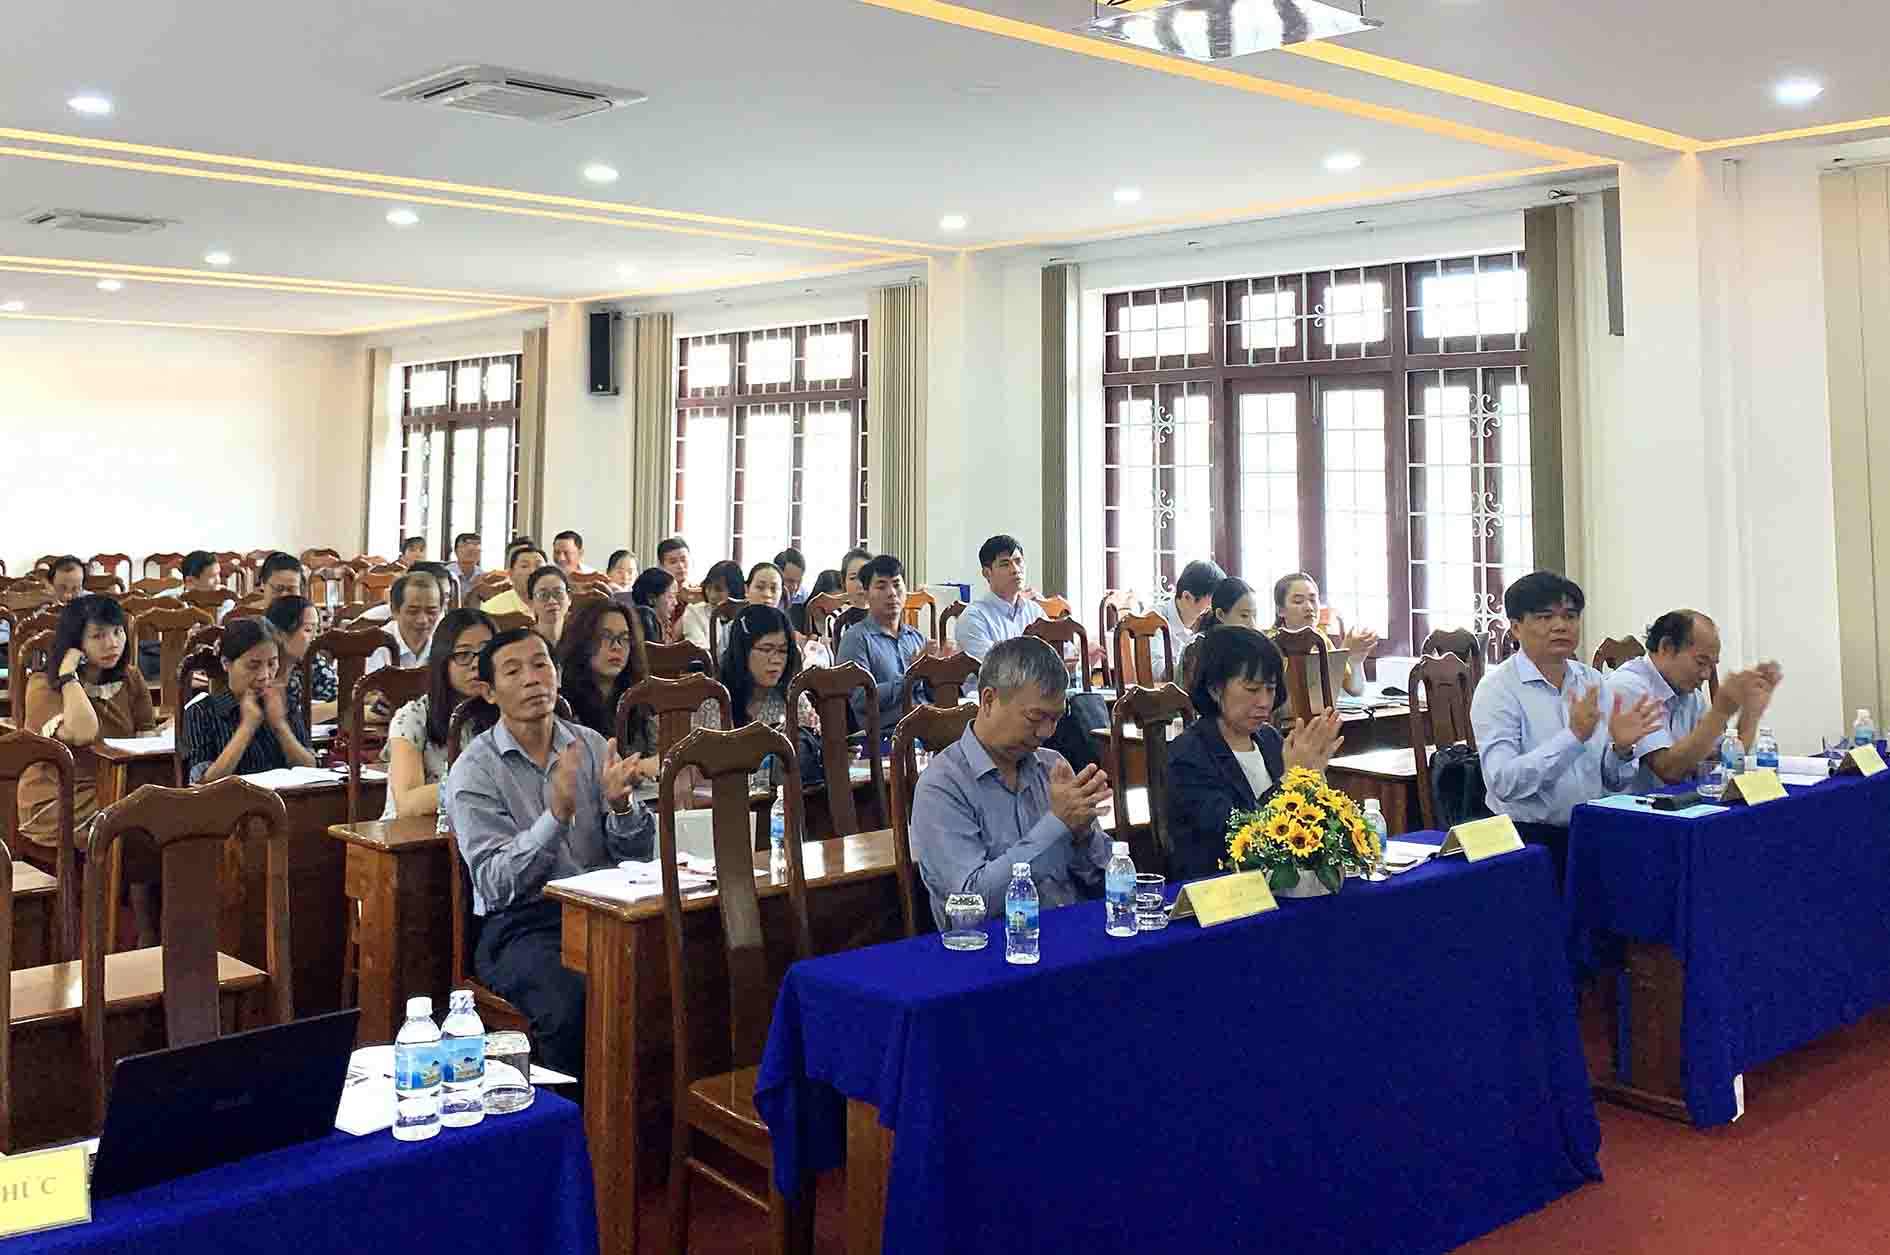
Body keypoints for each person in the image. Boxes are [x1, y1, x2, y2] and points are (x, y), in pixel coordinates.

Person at [445, 628, 654, 1076]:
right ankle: (578, 1113)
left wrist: (622, 807)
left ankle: (646, 1110)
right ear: (489, 692)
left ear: (557, 674)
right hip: (522, 926)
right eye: (513, 671)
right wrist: (554, 819)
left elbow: (636, 857)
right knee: (573, 1000)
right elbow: (495, 885)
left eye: (541, 664)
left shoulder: (591, 745)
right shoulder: (474, 771)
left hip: (603, 914)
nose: (532, 678)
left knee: (673, 973)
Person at [909, 637, 1113, 929]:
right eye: (1035, 717)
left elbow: (1107, 881)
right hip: (994, 947)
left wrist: (1083, 836)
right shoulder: (942, 785)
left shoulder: (1052, 766)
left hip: (1070, 931)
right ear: (988, 700)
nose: (1046, 732)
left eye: (1055, 719)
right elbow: (970, 904)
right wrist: (1057, 825)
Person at [1470, 571, 1663, 874]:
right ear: (1516, 627)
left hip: (1591, 830)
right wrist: (1573, 737)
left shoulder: (1592, 681)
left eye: (1570, 616)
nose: (1561, 626)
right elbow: (1503, 782)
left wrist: (1621, 750)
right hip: (1526, 842)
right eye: (1545, 617)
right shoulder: (1497, 689)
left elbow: (1613, 781)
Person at [1165, 627, 1345, 882]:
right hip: (1218, 887)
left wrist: (1314, 780)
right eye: (1252, 689)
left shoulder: (1269, 740)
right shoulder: (1188, 756)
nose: (1264, 702)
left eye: (1270, 689)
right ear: (1215, 689)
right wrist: (1292, 779)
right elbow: (1238, 835)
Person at [18, 595, 158, 850]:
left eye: (117, 632)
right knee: (134, 819)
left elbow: (146, 737)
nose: (112, 643)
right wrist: (68, 677)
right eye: (98, 636)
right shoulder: (43, 686)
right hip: (60, 799)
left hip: (117, 786)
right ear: (75, 643)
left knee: (165, 808)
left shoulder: (130, 678)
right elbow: (83, 733)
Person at [1610, 610, 1783, 792]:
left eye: (1712, 666)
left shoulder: (1689, 693)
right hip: (1630, 807)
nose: (1707, 675)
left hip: (1680, 802)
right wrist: (1720, 712)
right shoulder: (1628, 686)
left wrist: (1750, 712)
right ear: (1666, 647)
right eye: (1701, 662)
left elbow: (1723, 761)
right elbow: (1669, 771)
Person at [689, 605, 818, 794]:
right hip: (724, 799)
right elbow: (697, 772)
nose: (776, 660)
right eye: (766, 649)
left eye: (782, 651)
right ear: (743, 651)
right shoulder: (714, 701)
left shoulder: (791, 697)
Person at [384, 609, 496, 820]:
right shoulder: (413, 716)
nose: (476, 664)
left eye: (486, 653)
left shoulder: (508, 711)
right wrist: (483, 783)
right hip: (416, 832)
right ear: (443, 661)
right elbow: (407, 804)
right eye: (463, 655)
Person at [181, 617, 317, 783]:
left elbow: (311, 771)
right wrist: (247, 727)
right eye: (253, 666)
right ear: (226, 663)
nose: (264, 676)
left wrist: (280, 726)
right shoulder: (201, 712)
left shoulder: (283, 704)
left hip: (286, 797)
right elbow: (202, 783)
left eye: (272, 664)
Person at [557, 599, 658, 766]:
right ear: (582, 641)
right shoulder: (563, 703)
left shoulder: (639, 694)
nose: (616, 647)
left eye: (624, 638)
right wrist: (640, 768)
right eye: (605, 636)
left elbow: (660, 753)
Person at [837, 554, 927, 727]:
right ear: (866, 594)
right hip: (883, 735)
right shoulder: (856, 638)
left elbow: (928, 694)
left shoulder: (916, 637)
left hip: (925, 727)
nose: (892, 593)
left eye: (896, 585)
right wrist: (912, 675)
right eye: (881, 586)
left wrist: (939, 671)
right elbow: (860, 699)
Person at [955, 535, 1045, 689]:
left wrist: (1081, 654)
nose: (1016, 570)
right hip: (989, 698)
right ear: (987, 573)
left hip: (1032, 693)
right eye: (1005, 564)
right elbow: (996, 670)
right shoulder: (973, 618)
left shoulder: (1035, 611)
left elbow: (1064, 656)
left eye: (1018, 561)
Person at [1271, 572, 1378, 697]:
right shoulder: (1272, 644)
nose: (1309, 607)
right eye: (1298, 601)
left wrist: (1355, 661)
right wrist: (1343, 654)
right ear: (1281, 610)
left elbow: (1354, 691)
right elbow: (1302, 693)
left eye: (1313, 600)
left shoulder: (1320, 638)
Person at [1175, 577, 1259, 692]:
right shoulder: (1198, 648)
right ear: (1221, 615)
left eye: (1255, 615)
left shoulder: (1252, 646)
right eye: (1244, 616)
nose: (1252, 624)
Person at [265, 595, 338, 725]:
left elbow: (342, 699)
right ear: (280, 633)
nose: (315, 637)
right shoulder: (259, 666)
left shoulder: (314, 662)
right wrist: (334, 708)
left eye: (317, 630)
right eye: (308, 630)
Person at [1155, 559, 1226, 678]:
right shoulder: (1155, 619)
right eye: (1210, 603)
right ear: (1187, 597)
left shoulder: (1210, 618)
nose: (1214, 608)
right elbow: (1155, 670)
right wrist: (1190, 670)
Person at [363, 568, 446, 670]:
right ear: (395, 610)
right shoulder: (375, 647)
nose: (423, 620)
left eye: (431, 612)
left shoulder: (446, 645)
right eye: (413, 612)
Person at [679, 560, 745, 654]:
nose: (712, 596)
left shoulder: (745, 615)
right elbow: (701, 653)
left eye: (719, 589)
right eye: (709, 588)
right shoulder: (694, 612)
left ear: (734, 590)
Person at [480, 545, 545, 617]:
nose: (532, 571)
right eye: (524, 566)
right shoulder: (493, 608)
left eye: (539, 566)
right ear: (511, 574)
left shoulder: (553, 605)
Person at [626, 567, 677, 645]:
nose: (675, 603)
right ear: (651, 599)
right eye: (671, 596)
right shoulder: (644, 621)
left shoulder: (664, 626)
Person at [527, 565, 572, 644]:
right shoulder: (524, 642)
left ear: (569, 598)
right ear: (531, 603)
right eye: (543, 595)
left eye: (558, 593)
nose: (552, 601)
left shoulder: (583, 637)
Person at [449, 532, 484, 602]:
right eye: (465, 545)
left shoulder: (483, 576)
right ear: (456, 551)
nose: (471, 549)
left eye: (476, 545)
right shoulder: (445, 574)